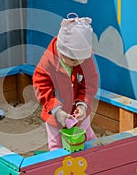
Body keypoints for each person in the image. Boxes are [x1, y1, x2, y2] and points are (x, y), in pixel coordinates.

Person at [33, 13, 99, 150]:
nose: (77, 63)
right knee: (56, 145)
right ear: (62, 51)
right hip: (55, 115)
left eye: (80, 59)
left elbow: (90, 83)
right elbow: (41, 86)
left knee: (88, 140)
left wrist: (83, 104)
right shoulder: (49, 61)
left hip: (79, 113)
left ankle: (94, 165)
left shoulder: (85, 60)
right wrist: (56, 110)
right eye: (73, 60)